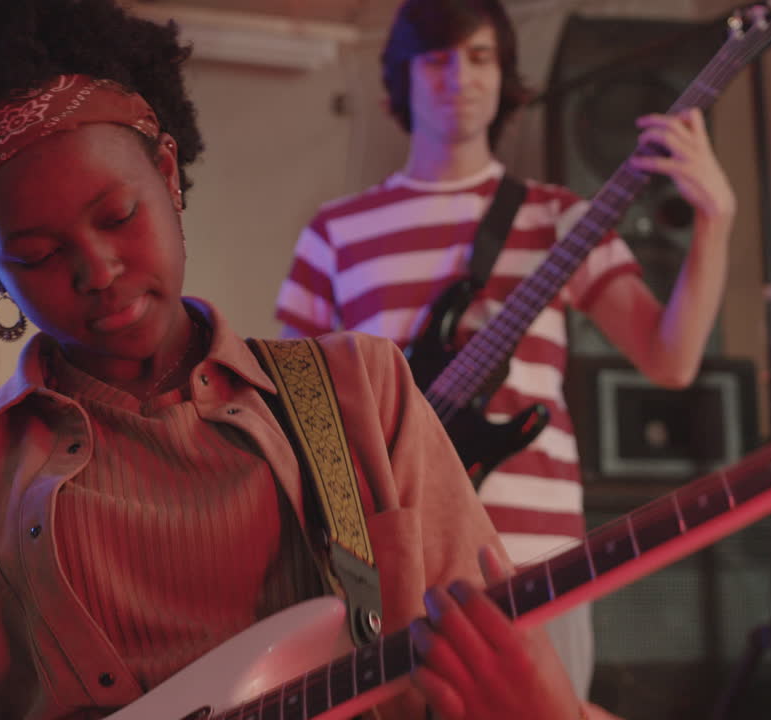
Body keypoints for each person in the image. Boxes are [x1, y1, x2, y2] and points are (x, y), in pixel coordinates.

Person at [0, 0, 593, 718]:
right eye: (37, 253)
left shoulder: (360, 396)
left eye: (118, 214)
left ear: (167, 173)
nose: (97, 269)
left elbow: (481, 674)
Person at [274, 0, 736, 702]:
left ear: (506, 76)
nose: (461, 76)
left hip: (539, 562)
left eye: (481, 57)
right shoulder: (337, 232)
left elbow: (668, 360)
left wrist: (715, 222)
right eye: (438, 58)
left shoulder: (559, 215)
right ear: (400, 81)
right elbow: (294, 413)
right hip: (390, 560)